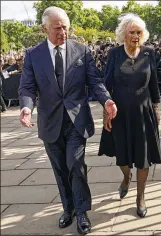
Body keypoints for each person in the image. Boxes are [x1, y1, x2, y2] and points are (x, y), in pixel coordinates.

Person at [18, 6, 117, 235]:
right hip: (50, 122)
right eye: (57, 28)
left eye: (65, 27)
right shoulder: (34, 55)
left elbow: (95, 82)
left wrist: (107, 101)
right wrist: (25, 108)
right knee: (60, 169)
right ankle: (68, 208)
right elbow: (27, 87)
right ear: (45, 29)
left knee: (75, 165)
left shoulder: (82, 51)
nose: (62, 31)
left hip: (77, 120)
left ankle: (82, 212)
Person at [98, 13, 161, 218]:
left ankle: (140, 196)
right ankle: (126, 178)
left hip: (143, 112)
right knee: (122, 157)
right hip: (119, 112)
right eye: (132, 32)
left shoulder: (149, 53)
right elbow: (106, 83)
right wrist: (105, 111)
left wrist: (156, 107)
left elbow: (153, 83)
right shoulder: (115, 54)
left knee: (143, 157)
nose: (135, 36)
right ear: (123, 34)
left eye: (138, 32)